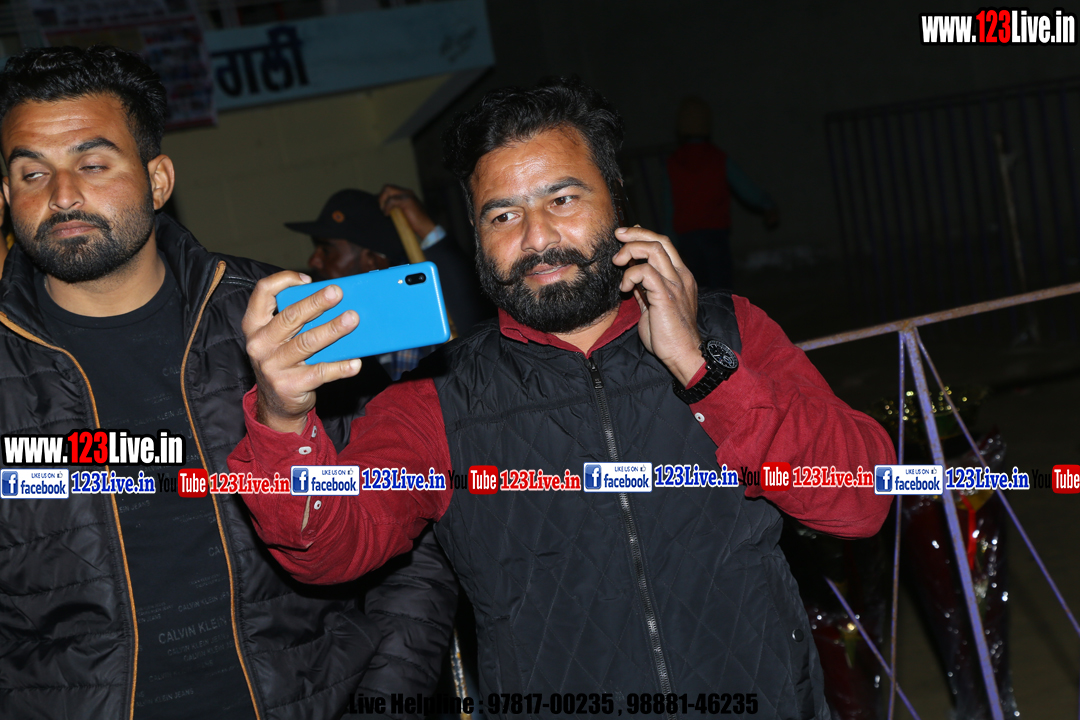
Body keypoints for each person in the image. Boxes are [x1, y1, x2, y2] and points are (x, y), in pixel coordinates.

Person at [231, 78, 896, 719]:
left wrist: (702, 367)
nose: (537, 238)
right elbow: (327, 548)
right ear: (477, 235)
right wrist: (283, 420)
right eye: (503, 215)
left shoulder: (732, 332)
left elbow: (861, 498)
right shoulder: (434, 400)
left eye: (563, 199)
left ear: (617, 203)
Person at [0, 45, 457, 720]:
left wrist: (384, 700)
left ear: (158, 180)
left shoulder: (291, 320)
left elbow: (411, 526)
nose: (62, 195)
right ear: (6, 195)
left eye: (92, 164)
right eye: (32, 172)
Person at [286, 185, 489, 378]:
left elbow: (468, 310)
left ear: (372, 261)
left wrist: (428, 231)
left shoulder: (416, 328)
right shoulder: (328, 331)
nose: (313, 260)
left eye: (327, 250)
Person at [666, 96, 778, 290]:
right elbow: (746, 188)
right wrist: (767, 204)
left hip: (687, 237)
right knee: (721, 287)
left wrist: (672, 245)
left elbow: (668, 208)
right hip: (714, 233)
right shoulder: (717, 157)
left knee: (697, 289)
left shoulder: (672, 163)